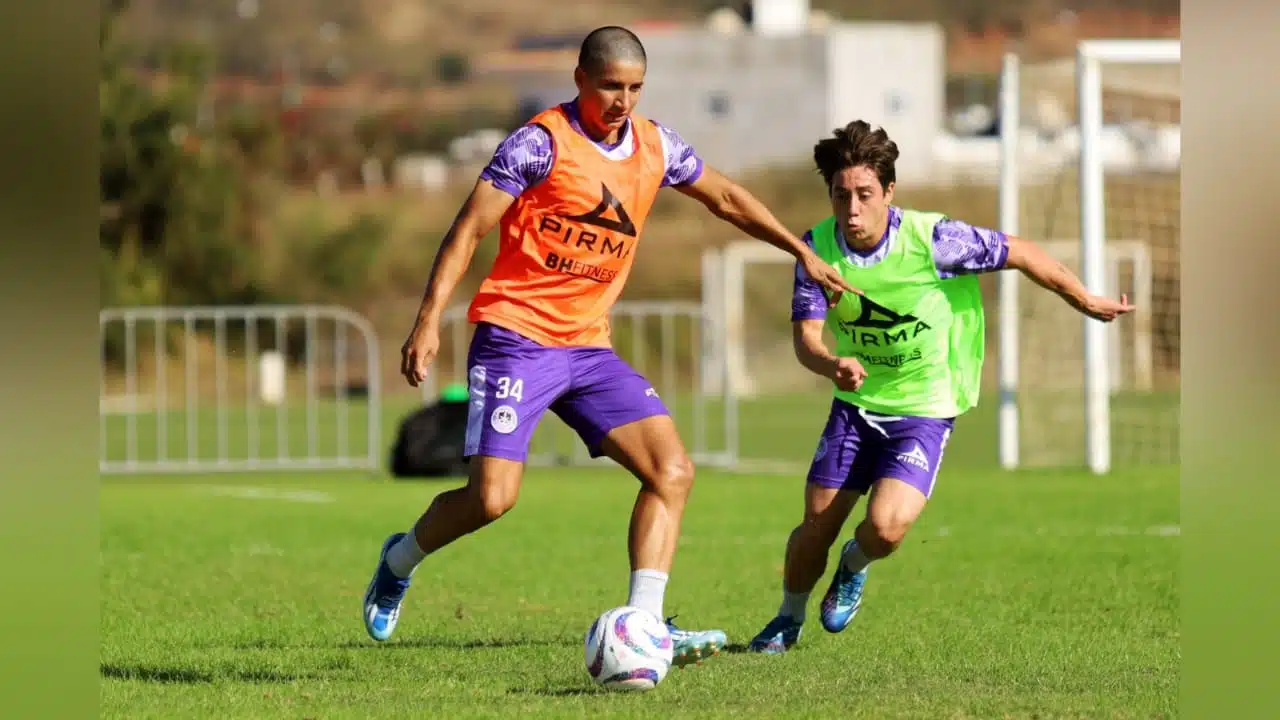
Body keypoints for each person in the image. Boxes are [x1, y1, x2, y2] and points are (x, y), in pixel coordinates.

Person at [362, 26, 857, 668]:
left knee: (671, 471)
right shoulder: (540, 144)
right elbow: (468, 229)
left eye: (634, 88)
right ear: (580, 81)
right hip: (515, 338)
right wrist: (429, 319)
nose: (623, 100)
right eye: (610, 87)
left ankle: (645, 626)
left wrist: (800, 250)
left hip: (588, 349)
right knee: (492, 499)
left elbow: (728, 199)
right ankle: (399, 561)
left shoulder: (656, 146)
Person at [747, 120, 1135, 654]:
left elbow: (1019, 250)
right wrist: (830, 363)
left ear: (889, 192)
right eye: (841, 196)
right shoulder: (815, 250)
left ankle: (853, 566)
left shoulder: (935, 241)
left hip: (925, 407)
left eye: (864, 194)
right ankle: (786, 620)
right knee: (816, 523)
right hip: (855, 407)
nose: (853, 209)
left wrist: (1084, 298)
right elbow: (806, 340)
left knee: (885, 529)